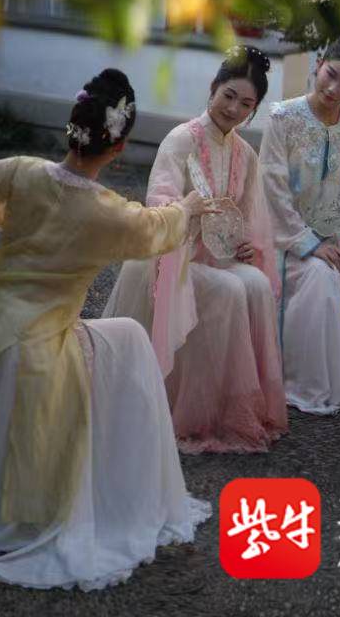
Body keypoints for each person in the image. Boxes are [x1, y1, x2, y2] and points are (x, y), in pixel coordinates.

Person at [0, 68, 211, 590]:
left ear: (71, 128)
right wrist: (189, 206)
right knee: (131, 341)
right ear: (119, 149)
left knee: (113, 341)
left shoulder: (21, 172)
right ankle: (109, 482)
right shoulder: (109, 214)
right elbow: (160, 231)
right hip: (39, 350)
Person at [101, 46, 288, 452]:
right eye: (228, 96)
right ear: (213, 88)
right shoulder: (181, 140)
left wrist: (245, 246)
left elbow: (250, 220)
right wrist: (188, 215)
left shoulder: (245, 154)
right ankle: (195, 411)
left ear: (254, 109)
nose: (234, 109)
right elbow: (159, 208)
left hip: (219, 258)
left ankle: (234, 406)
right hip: (173, 258)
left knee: (256, 283)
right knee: (231, 289)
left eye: (246, 104)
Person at [259, 27, 340, 415]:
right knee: (320, 277)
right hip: (286, 239)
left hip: (335, 237)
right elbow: (273, 187)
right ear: (319, 63)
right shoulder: (283, 118)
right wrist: (308, 243)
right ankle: (303, 382)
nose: (334, 89)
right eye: (331, 74)